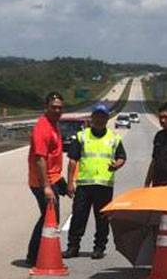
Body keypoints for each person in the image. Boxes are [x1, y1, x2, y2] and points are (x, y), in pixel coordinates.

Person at [64, 104, 126, 259]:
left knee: (102, 219)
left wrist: (117, 164)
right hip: (84, 185)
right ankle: (73, 246)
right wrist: (70, 182)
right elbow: (72, 160)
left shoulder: (114, 138)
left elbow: (122, 157)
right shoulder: (82, 136)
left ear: (107, 119)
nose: (99, 119)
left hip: (104, 185)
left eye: (103, 116)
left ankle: (99, 247)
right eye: (97, 116)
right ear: (92, 118)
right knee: (78, 216)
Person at [26, 91, 68, 266]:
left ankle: (36, 254)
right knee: (48, 218)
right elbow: (40, 159)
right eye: (53, 107)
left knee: (49, 217)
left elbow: (53, 156)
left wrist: (61, 182)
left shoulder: (54, 124)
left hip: (53, 178)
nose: (57, 111)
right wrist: (46, 187)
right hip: (42, 181)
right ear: (46, 107)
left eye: (60, 108)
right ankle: (35, 256)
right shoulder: (42, 128)